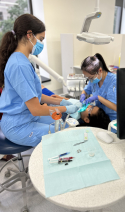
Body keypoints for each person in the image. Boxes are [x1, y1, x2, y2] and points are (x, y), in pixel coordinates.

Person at [0, 14, 78, 147]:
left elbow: (36, 97)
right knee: (65, 132)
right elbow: (36, 109)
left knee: (61, 121)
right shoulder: (19, 65)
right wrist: (66, 108)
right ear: (29, 34)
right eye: (41, 39)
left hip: (27, 117)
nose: (41, 44)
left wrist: (62, 101)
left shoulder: (22, 60)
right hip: (18, 125)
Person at [80, 53, 117, 122]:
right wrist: (83, 95)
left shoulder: (114, 81)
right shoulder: (93, 80)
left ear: (99, 71)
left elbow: (116, 108)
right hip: (99, 117)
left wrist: (98, 98)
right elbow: (86, 90)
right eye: (88, 78)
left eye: (90, 77)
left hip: (112, 120)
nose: (90, 80)